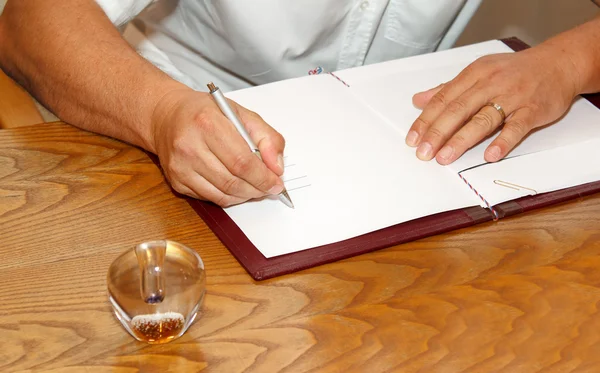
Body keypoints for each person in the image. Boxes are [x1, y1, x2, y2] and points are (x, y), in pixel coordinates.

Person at [0, 1, 599, 207]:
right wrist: (159, 113)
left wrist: (567, 63)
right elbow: (29, 21)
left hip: (400, 141)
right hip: (179, 118)